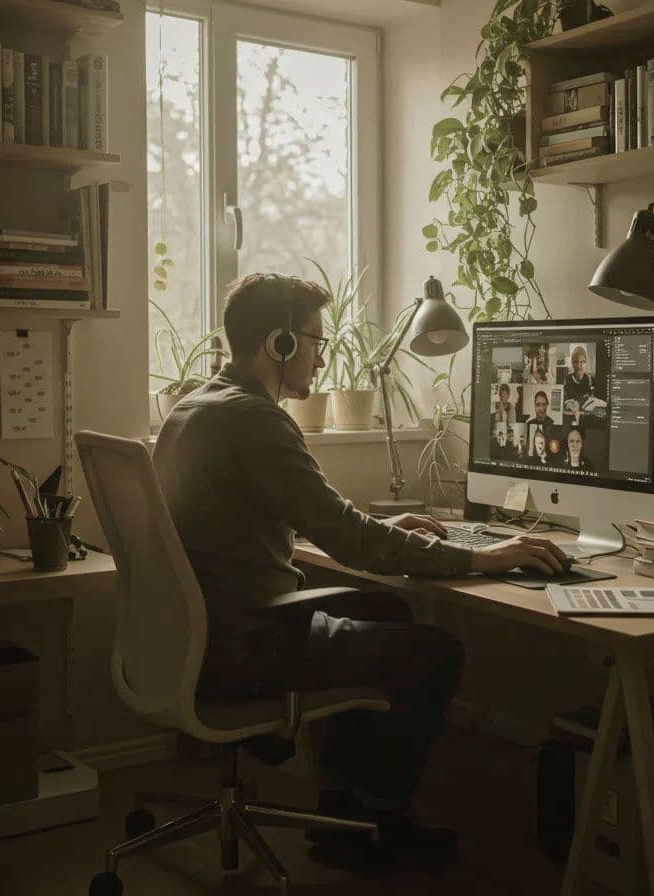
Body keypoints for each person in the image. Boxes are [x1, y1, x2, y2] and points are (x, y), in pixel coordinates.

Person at [152, 273, 570, 873]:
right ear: (280, 345)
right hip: (246, 642)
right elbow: (349, 540)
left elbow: (248, 516)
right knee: (434, 652)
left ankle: (342, 810)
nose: (322, 356)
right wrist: (483, 558)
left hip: (206, 630)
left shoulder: (198, 405)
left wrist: (393, 524)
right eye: (315, 342)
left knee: (385, 612)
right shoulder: (256, 421)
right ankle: (383, 820)